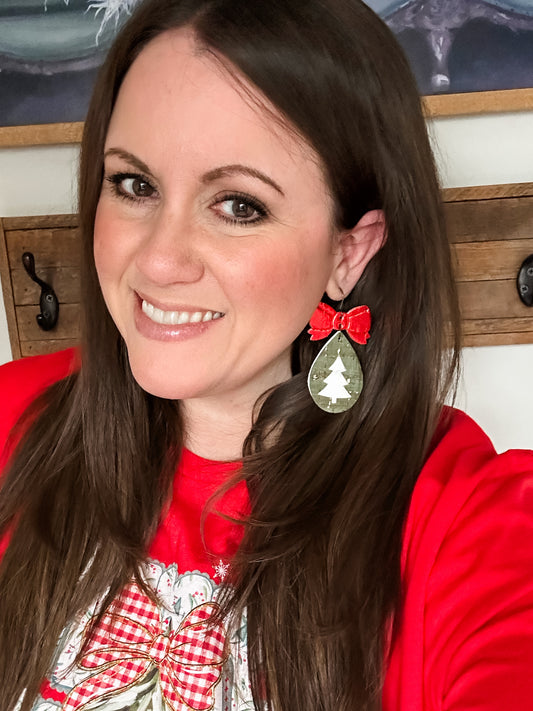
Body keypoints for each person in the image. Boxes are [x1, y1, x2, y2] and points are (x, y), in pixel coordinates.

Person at [0, 1, 532, 709]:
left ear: (348, 252)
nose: (157, 261)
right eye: (135, 185)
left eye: (238, 206)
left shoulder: (463, 519)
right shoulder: (13, 416)